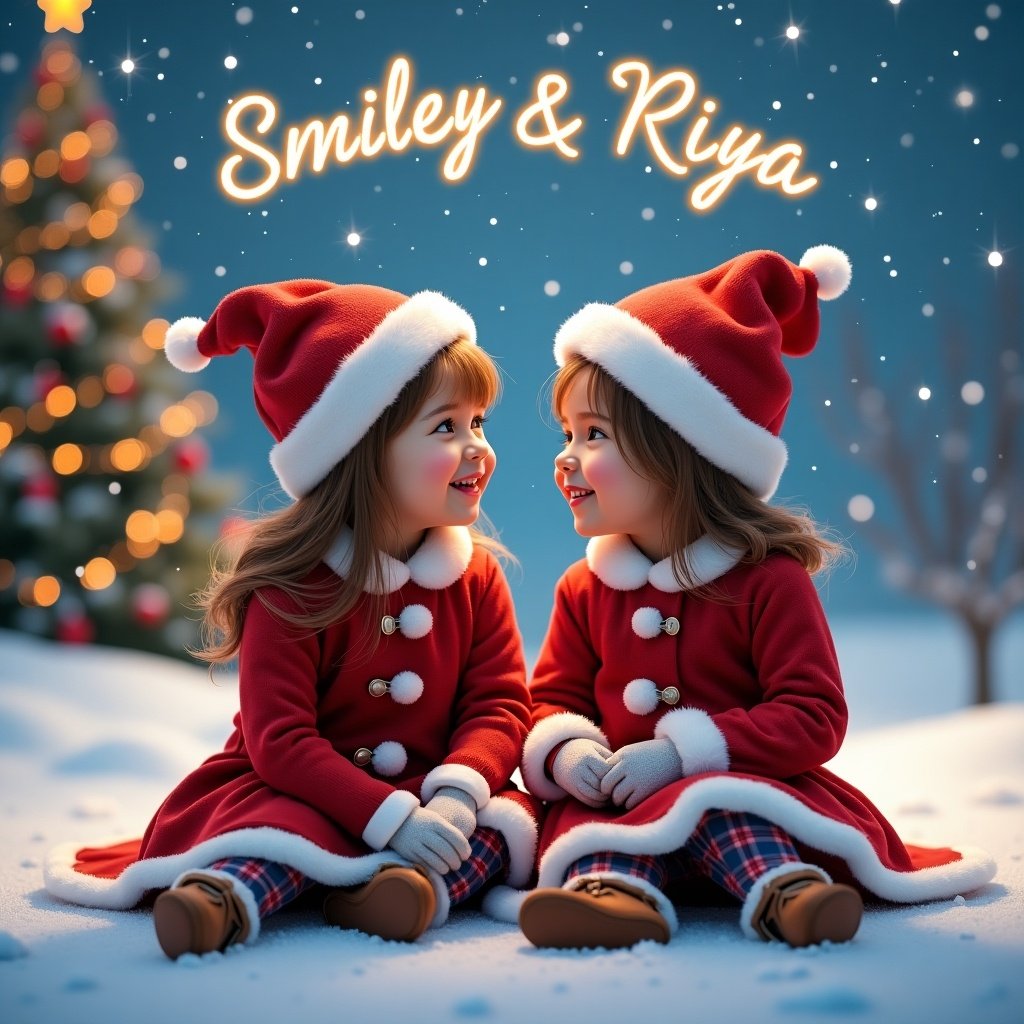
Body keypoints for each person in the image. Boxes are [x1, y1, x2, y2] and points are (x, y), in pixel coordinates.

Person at [517, 246, 996, 950]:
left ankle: (790, 896)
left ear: (679, 450)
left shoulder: (767, 580)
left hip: (740, 788)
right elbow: (551, 698)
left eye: (593, 435)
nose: (566, 456)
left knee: (725, 813)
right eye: (567, 434)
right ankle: (613, 900)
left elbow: (812, 715)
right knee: (599, 840)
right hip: (619, 802)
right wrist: (566, 751)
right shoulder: (585, 588)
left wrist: (687, 755)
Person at [45, 280, 539, 958]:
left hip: (429, 792)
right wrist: (380, 812)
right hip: (307, 784)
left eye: (478, 422)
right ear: (361, 450)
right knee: (280, 825)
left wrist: (457, 791)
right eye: (447, 427)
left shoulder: (474, 577)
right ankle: (224, 897)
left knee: (497, 824)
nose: (477, 447)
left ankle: (403, 891)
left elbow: (500, 705)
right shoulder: (294, 586)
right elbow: (281, 741)